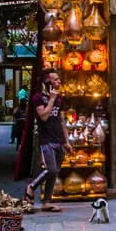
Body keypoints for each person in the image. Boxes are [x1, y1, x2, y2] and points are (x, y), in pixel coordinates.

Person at [24, 71, 71, 212]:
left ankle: (46, 201)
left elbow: (62, 121)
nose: (59, 82)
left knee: (55, 172)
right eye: (55, 80)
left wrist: (67, 141)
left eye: (58, 79)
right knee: (51, 169)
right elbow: (43, 117)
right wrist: (51, 99)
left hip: (59, 140)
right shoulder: (38, 98)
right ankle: (31, 187)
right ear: (47, 82)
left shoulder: (60, 99)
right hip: (46, 140)